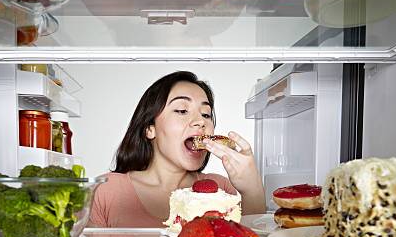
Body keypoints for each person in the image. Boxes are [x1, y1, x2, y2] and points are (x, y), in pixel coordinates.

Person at [89, 70, 265, 228]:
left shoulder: (220, 189)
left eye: (206, 114)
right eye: (182, 110)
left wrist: (252, 189)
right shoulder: (106, 190)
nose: (201, 121)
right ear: (150, 129)